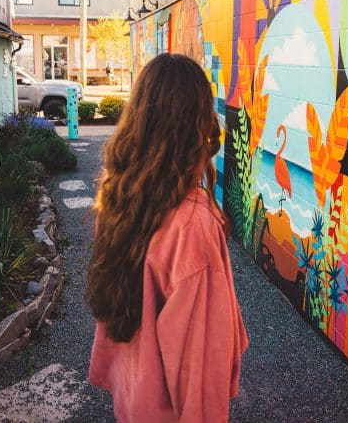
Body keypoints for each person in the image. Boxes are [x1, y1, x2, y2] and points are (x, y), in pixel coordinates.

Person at [87, 53, 248, 422]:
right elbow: (201, 367)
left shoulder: (119, 196)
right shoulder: (191, 225)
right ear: (196, 125)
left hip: (134, 397)